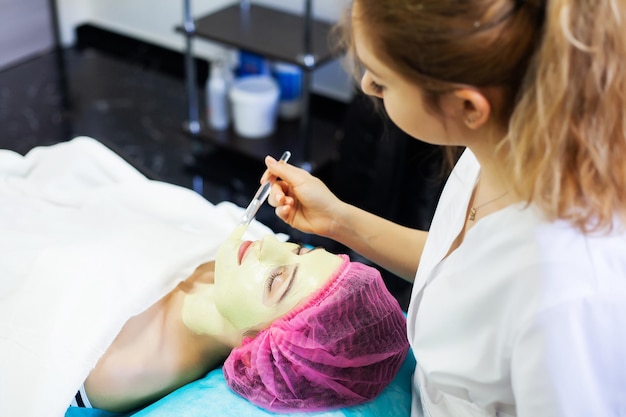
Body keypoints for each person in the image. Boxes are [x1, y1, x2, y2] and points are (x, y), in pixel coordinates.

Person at [262, 0, 626, 416]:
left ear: (468, 106)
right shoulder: (497, 149)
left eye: (381, 80)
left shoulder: (569, 296)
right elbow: (464, 273)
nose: (366, 87)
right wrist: (338, 219)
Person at [72, 232, 409, 413]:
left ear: (259, 350)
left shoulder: (112, 367)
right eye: (300, 251)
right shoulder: (234, 267)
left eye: (275, 281)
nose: (273, 242)